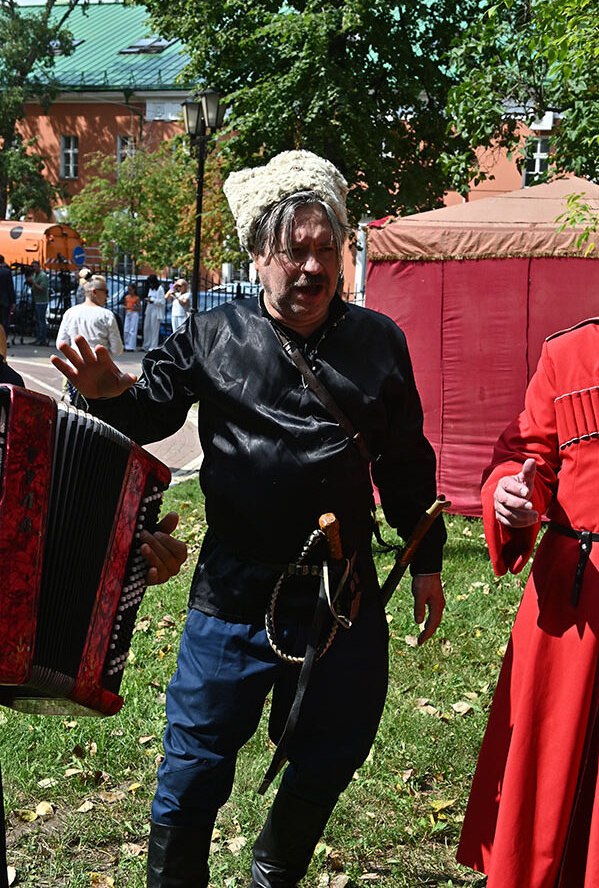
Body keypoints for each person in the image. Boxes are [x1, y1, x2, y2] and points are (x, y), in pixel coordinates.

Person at [50, 149, 446, 888]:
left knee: (336, 745)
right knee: (194, 760)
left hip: (340, 593)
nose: (312, 267)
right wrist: (107, 392)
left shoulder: (379, 342)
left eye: (326, 249)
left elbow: (403, 461)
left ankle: (273, 870)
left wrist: (426, 562)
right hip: (232, 590)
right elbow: (149, 412)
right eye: (294, 251)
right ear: (259, 255)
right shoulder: (211, 334)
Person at [457, 317, 599, 887]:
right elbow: (522, 459)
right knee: (550, 767)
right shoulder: (569, 354)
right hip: (574, 606)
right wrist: (511, 495)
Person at [56, 275, 123, 402]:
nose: (107, 296)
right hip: (101, 375)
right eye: (106, 292)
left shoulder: (70, 312)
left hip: (75, 373)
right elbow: (117, 349)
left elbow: (61, 343)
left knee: (76, 409)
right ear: (94, 292)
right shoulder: (107, 315)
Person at [26, 261, 49, 346]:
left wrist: (33, 282)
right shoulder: (34, 275)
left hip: (42, 301)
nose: (34, 268)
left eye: (35, 266)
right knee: (37, 320)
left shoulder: (43, 276)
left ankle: (42, 339)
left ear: (39, 267)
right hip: (36, 300)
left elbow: (42, 288)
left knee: (41, 320)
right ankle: (38, 337)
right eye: (33, 267)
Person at [142, 274, 165, 351]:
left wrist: (152, 300)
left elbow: (162, 302)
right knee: (147, 327)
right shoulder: (151, 289)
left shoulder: (160, 289)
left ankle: (153, 346)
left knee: (154, 329)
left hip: (156, 309)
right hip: (149, 309)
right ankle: (146, 345)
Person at [0, 255, 16, 337]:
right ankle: (3, 339)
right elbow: (10, 288)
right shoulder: (6, 272)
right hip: (4, 300)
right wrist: (13, 301)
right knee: (4, 321)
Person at [123, 282, 141, 351]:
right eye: (128, 290)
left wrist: (133, 308)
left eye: (130, 290)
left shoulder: (137, 298)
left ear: (134, 290)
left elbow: (139, 308)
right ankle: (126, 345)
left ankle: (131, 346)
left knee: (132, 330)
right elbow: (125, 304)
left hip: (134, 313)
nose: (129, 291)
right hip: (128, 313)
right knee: (126, 330)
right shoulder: (127, 297)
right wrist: (126, 307)